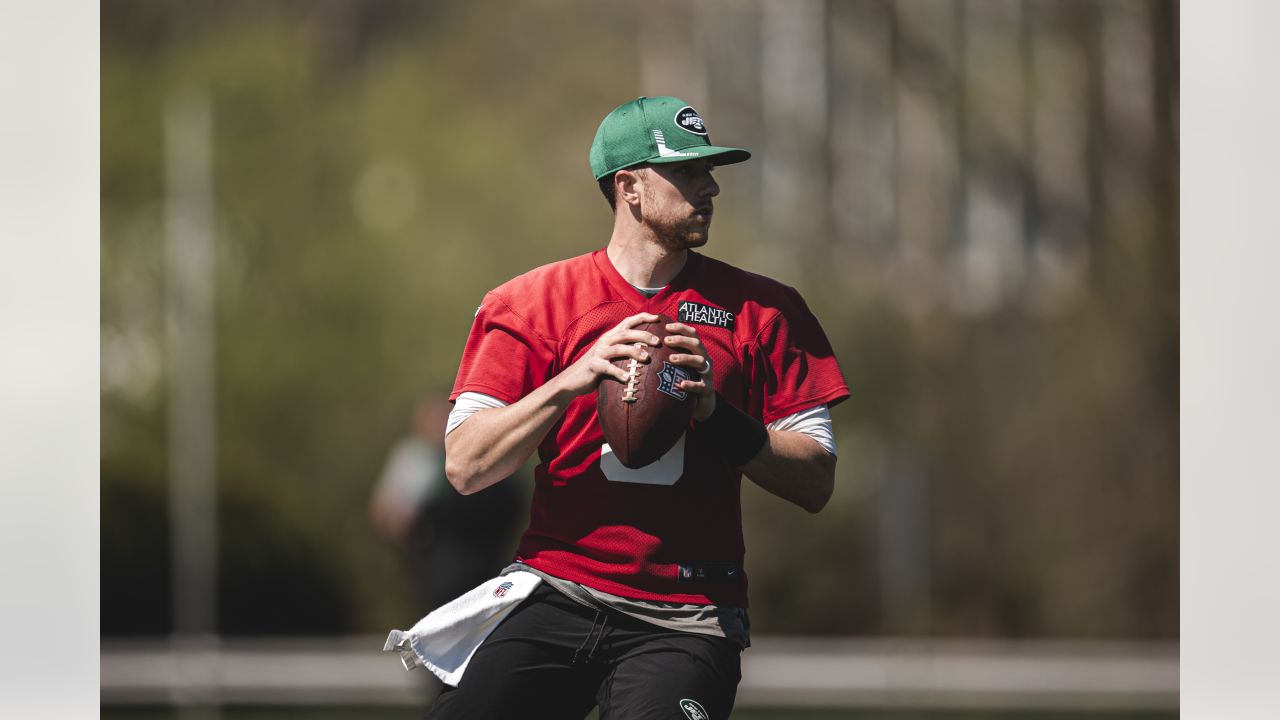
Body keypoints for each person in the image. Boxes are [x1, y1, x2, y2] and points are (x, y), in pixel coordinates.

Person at [432, 96, 848, 719]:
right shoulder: (532, 303)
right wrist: (570, 381)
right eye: (686, 173)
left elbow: (816, 478)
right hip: (559, 591)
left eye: (710, 172)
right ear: (628, 186)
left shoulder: (765, 311)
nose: (709, 187)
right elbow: (466, 467)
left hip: (688, 616)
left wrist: (714, 412)